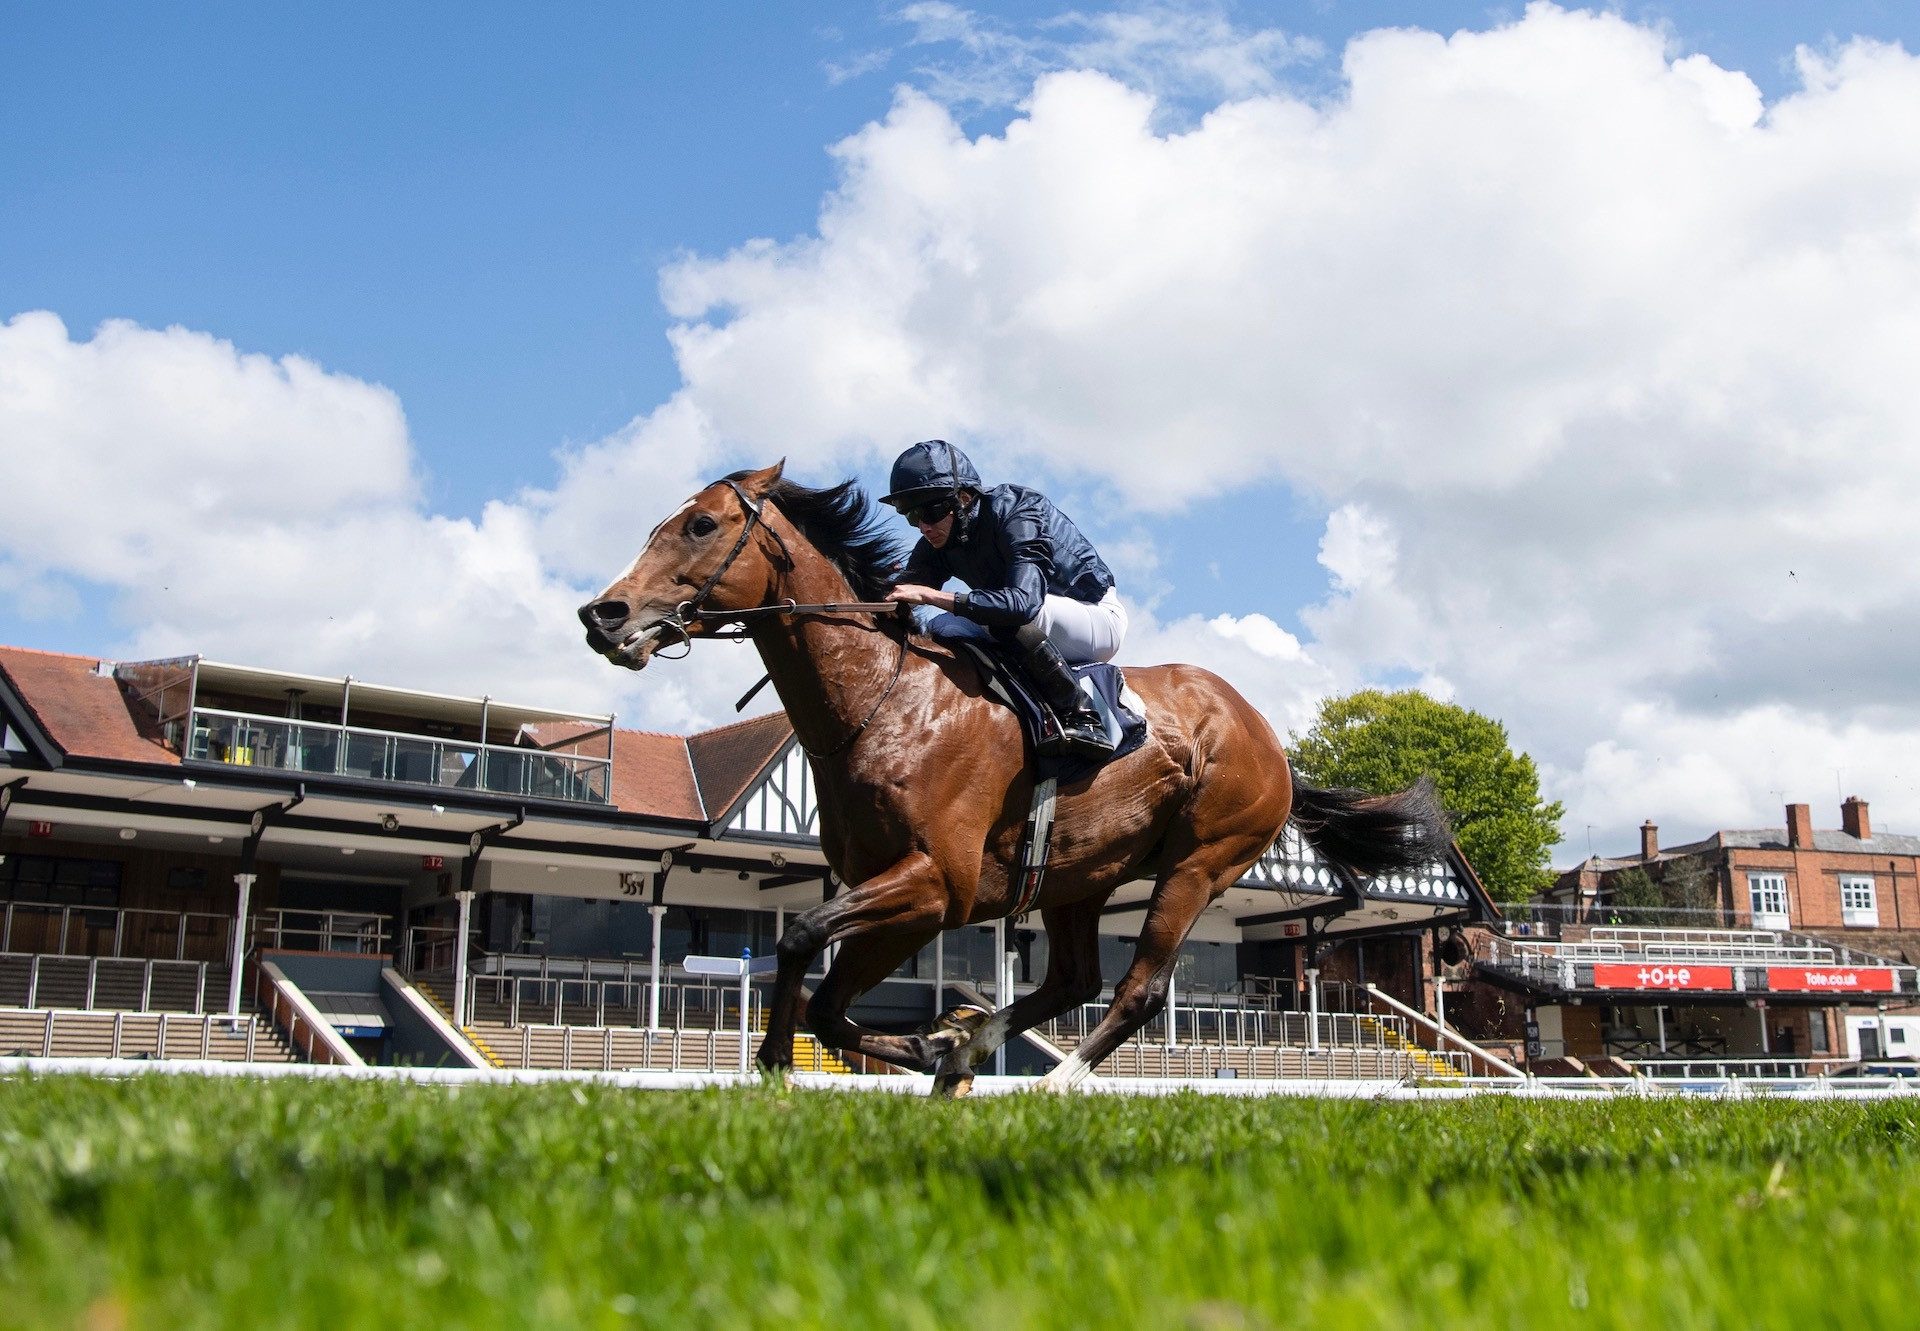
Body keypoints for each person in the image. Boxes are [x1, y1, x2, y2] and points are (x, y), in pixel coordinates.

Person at [881, 440, 1126, 759]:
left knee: (1000, 618)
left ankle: (1082, 715)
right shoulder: (938, 541)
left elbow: (1023, 604)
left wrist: (933, 595)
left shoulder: (1018, 509)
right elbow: (897, 597)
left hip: (1095, 617)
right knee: (941, 629)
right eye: (911, 516)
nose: (924, 527)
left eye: (931, 510)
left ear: (963, 498)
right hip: (1030, 622)